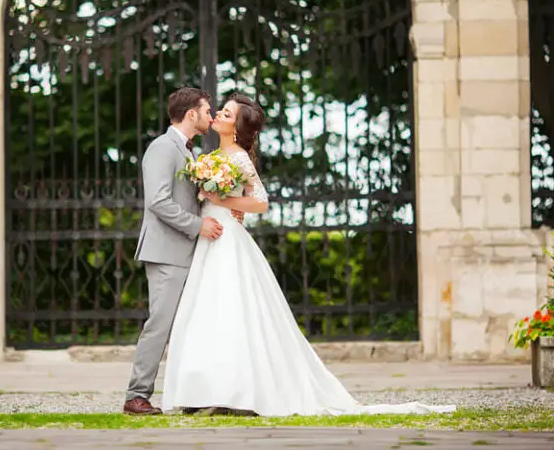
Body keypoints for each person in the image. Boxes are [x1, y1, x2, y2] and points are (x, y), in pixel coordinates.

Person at [161, 92, 456, 417]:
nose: (218, 115)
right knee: (206, 310)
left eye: (227, 114)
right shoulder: (211, 156)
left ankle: (236, 392)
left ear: (237, 127)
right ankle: (202, 389)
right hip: (209, 235)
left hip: (227, 236)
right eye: (222, 111)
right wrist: (208, 193)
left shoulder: (240, 159)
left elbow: (260, 201)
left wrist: (223, 200)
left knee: (231, 309)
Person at [123, 87, 242, 415]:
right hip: (166, 252)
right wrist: (197, 225)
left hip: (186, 251)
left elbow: (182, 196)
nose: (210, 116)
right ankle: (136, 396)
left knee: (189, 325)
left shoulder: (186, 152)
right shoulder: (162, 148)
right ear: (191, 114)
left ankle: (195, 393)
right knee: (159, 325)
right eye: (206, 111)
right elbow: (157, 201)